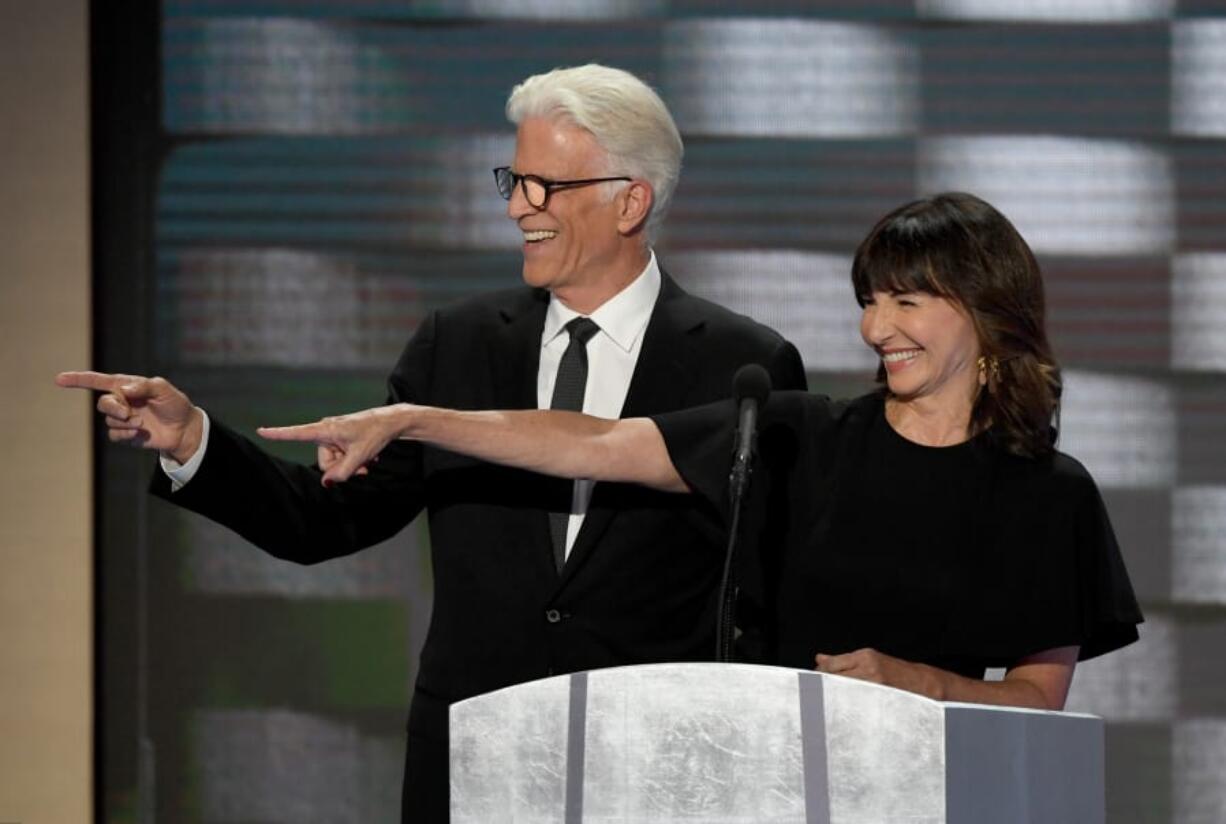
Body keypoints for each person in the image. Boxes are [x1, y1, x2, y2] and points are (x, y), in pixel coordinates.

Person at [58, 64, 807, 821]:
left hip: (658, 767)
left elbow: (770, 593)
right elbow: (327, 520)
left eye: (545, 186)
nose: (518, 207)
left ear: (630, 201)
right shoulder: (459, 345)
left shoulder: (741, 364)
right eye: (512, 180)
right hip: (473, 757)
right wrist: (195, 443)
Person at [256, 192, 1143, 712]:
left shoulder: (1048, 491)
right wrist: (418, 419)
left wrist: (908, 681)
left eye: (907, 302)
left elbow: (1036, 698)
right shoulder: (797, 434)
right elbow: (599, 443)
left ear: (986, 311)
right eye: (870, 300)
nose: (876, 327)